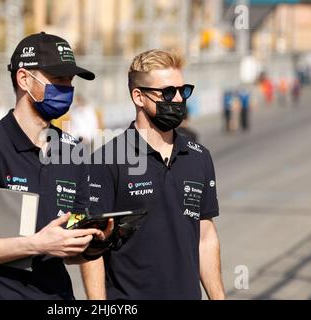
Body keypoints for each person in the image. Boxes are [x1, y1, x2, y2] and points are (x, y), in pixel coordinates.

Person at [0, 32, 112, 300]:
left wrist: (96, 241)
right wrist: (36, 244)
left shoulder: (73, 151)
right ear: (24, 78)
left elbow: (71, 250)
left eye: (70, 81)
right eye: (58, 79)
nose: (67, 88)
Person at [81, 49, 225, 300]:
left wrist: (219, 298)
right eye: (168, 92)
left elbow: (205, 235)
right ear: (138, 96)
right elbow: (92, 247)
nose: (179, 99)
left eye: (184, 90)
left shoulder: (199, 156)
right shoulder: (107, 159)